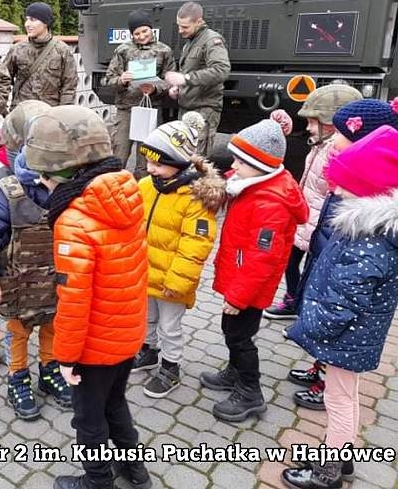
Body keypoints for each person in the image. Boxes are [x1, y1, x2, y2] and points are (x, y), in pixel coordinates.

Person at [24, 105, 152, 489]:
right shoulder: (124, 195)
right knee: (116, 404)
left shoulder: (74, 220)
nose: (42, 184)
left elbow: (74, 300)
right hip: (127, 333)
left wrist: (65, 358)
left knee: (88, 419)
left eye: (43, 177)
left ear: (60, 172)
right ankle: (136, 473)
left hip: (94, 346)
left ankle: (98, 480)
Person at [282, 125, 398, 489]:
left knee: (340, 402)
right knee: (346, 395)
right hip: (355, 336)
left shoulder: (370, 239)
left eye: (345, 184)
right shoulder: (369, 228)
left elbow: (343, 303)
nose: (337, 189)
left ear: (368, 190)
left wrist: (312, 329)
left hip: (347, 337)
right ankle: (343, 458)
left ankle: (328, 471)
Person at [0, 107, 73, 421]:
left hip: (56, 283)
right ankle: (18, 377)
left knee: (53, 328)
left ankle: (49, 370)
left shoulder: (71, 188)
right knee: (18, 333)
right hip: (19, 286)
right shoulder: (10, 191)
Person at [200, 119, 308, 423]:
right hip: (239, 278)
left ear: (259, 164)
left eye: (239, 160)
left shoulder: (270, 204)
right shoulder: (253, 182)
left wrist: (237, 297)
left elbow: (262, 261)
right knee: (230, 331)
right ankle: (234, 371)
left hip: (248, 286)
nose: (232, 165)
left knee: (240, 337)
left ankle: (250, 391)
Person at [134, 113, 225, 398]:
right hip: (144, 270)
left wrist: (178, 281)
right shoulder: (147, 186)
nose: (150, 169)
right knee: (145, 317)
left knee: (169, 325)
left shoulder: (195, 197)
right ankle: (148, 350)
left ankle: (171, 368)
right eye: (148, 162)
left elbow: (195, 244)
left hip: (173, 279)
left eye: (158, 164)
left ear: (179, 161)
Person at [264, 84, 362, 321]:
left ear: (330, 123)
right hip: (306, 216)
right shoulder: (323, 143)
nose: (307, 128)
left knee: (313, 269)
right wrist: (288, 126)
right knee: (290, 261)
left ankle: (304, 308)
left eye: (311, 122)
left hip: (319, 222)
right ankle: (293, 299)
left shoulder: (338, 150)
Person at [105, 9, 176, 175]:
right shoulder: (123, 50)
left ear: (151, 29)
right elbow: (108, 79)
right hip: (126, 109)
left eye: (145, 31)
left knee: (146, 155)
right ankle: (115, 188)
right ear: (132, 34)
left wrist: (155, 88)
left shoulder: (164, 51)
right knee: (119, 152)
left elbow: (170, 80)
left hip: (151, 109)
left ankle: (143, 190)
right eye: (137, 33)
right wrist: (121, 81)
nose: (142, 36)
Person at [164, 1, 231, 157]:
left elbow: (221, 70)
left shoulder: (212, 41)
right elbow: (191, 71)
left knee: (196, 162)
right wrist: (178, 88)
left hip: (204, 110)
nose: (180, 31)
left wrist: (185, 79)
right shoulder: (191, 43)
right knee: (182, 157)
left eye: (185, 27)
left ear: (199, 21)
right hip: (187, 108)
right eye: (179, 26)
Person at [3, 2, 78, 107]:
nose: (27, 24)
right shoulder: (18, 49)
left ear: (45, 23)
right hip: (22, 112)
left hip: (49, 113)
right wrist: (0, 108)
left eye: (33, 20)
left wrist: (62, 115)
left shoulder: (62, 51)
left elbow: (69, 87)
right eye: (27, 19)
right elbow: (3, 79)